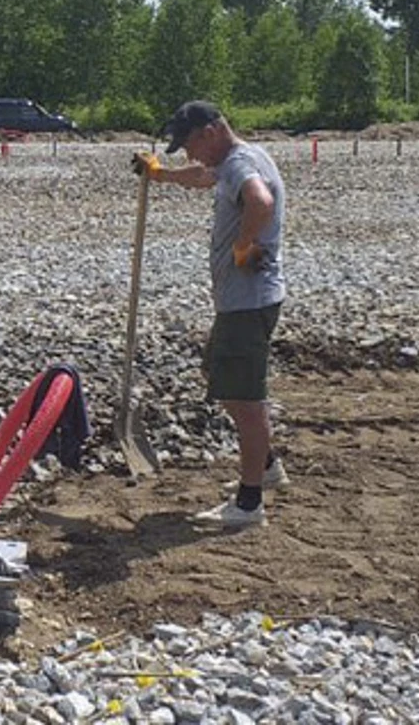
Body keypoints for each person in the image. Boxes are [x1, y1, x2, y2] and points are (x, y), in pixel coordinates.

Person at [135, 100, 287, 528]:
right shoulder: (237, 160)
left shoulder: (240, 164)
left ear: (212, 131)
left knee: (245, 399)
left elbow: (260, 202)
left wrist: (243, 246)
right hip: (244, 301)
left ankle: (250, 502)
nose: (190, 154)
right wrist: (160, 174)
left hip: (248, 300)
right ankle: (267, 464)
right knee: (220, 376)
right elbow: (203, 178)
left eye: (190, 144)